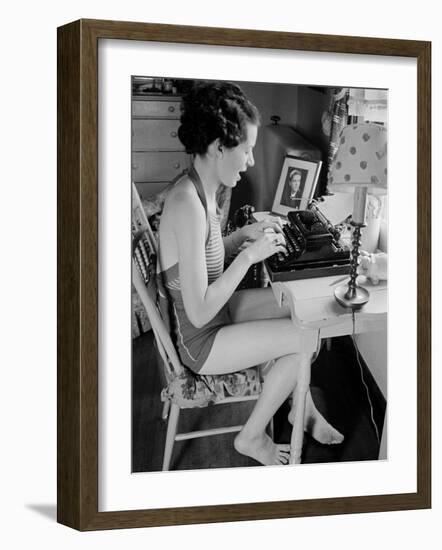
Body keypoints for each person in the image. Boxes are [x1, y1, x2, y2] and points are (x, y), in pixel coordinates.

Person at [158, 81, 343, 466]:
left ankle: (299, 409)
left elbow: (200, 261)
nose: (251, 161)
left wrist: (241, 238)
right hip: (200, 342)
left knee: (306, 317)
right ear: (218, 147)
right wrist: (248, 257)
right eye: (247, 149)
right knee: (305, 339)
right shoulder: (186, 205)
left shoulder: (200, 189)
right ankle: (251, 436)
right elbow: (199, 312)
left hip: (213, 316)